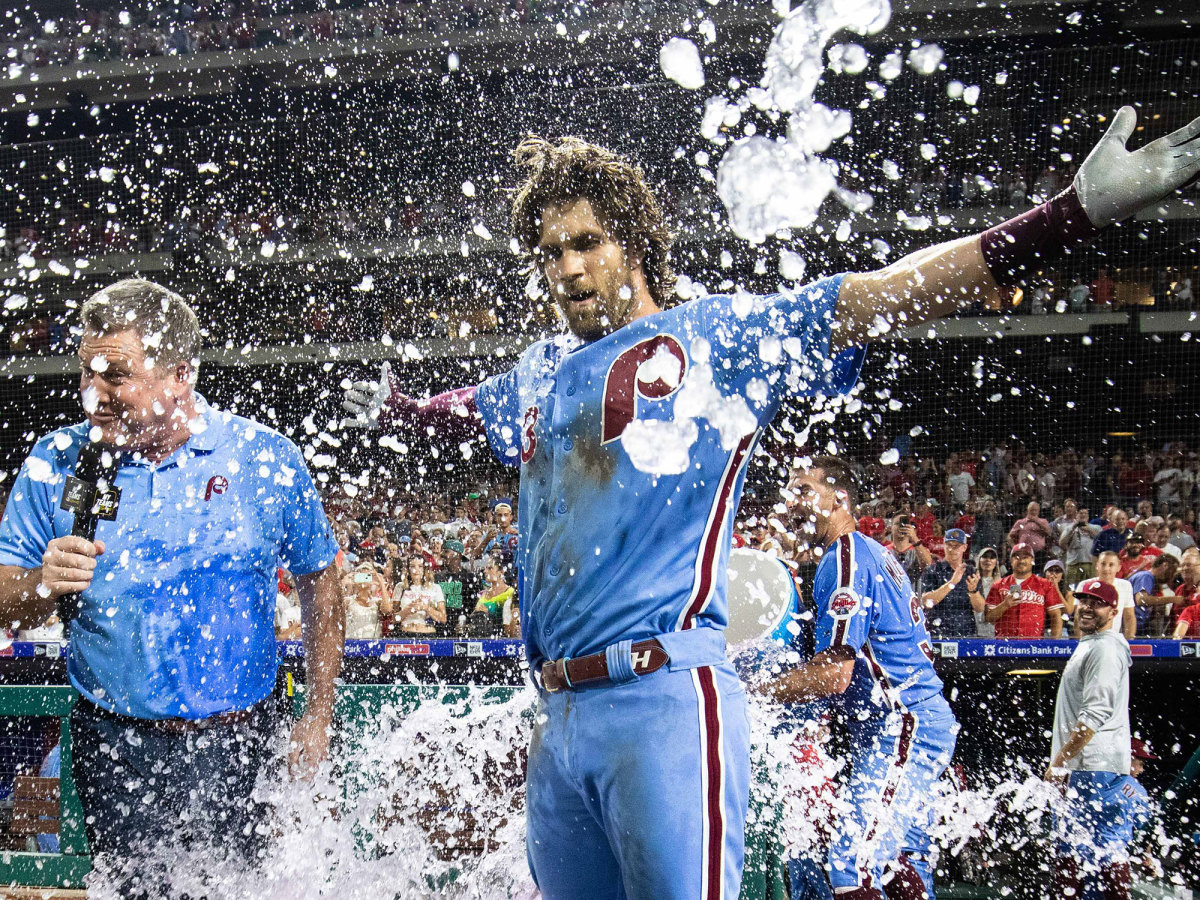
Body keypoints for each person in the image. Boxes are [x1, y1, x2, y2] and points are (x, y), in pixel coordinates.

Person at [341, 115, 1200, 897]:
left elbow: (879, 296)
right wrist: (394, 408)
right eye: (550, 251)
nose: (566, 267)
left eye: (587, 242)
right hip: (559, 713)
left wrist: (1066, 217)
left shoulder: (714, 337)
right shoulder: (535, 371)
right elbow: (457, 411)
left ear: (632, 242)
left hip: (663, 699)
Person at [0, 279, 342, 897]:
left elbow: (321, 583)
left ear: (180, 374)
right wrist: (43, 585)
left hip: (244, 743)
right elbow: (4, 597)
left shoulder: (262, 457)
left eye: (115, 376)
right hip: (115, 748)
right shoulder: (56, 460)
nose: (93, 395)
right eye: (86, 374)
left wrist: (318, 715)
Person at [757, 459, 958, 900]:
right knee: (896, 864)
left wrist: (749, 693)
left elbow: (833, 675)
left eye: (803, 490)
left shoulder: (845, 557)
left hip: (903, 727)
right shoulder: (871, 551)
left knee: (851, 865)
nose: (792, 502)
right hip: (912, 724)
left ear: (839, 498)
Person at [1044, 578, 1134, 900]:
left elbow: (1093, 717)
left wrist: (1059, 763)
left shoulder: (1105, 649)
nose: (1086, 607)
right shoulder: (1096, 644)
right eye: (1083, 600)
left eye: (1097, 603)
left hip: (1088, 768)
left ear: (1113, 611)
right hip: (1100, 766)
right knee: (1108, 848)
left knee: (1070, 850)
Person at [984, 544, 1064, 638]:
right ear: (1011, 561)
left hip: (1034, 644)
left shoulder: (1045, 585)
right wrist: (1004, 605)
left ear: (1032, 560)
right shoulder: (998, 585)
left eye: (1025, 557)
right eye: (1017, 557)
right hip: (1005, 644)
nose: (1021, 561)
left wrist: (1055, 643)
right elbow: (989, 618)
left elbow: (1056, 616)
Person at [917, 528, 982, 638]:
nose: (952, 549)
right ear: (944, 545)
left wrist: (973, 591)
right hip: (937, 632)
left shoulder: (971, 571)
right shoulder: (932, 570)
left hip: (966, 631)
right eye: (949, 545)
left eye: (956, 546)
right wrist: (952, 583)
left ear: (964, 547)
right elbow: (926, 601)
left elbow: (980, 608)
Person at [1065, 551, 1136, 639]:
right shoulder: (1084, 585)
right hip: (1088, 638)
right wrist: (1081, 641)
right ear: (1097, 565)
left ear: (1118, 567)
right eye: (1103, 564)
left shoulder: (1125, 586)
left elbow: (1129, 617)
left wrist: (1129, 641)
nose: (1106, 568)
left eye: (1111, 565)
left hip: (1113, 640)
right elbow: (1077, 617)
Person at [394, 554, 445, 636]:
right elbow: (393, 619)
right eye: (412, 566)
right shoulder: (400, 587)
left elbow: (443, 618)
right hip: (405, 634)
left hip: (427, 634)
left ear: (425, 569)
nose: (416, 570)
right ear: (408, 569)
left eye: (420, 566)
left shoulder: (435, 588)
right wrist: (407, 610)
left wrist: (426, 608)